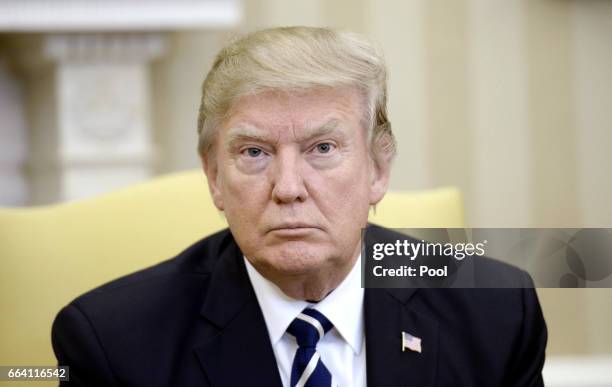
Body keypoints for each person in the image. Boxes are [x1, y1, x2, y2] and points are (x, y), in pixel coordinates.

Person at [52, 26, 547, 387]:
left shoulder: (497, 311)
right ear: (214, 177)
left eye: (323, 149)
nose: (288, 188)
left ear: (378, 171)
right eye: (254, 153)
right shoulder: (111, 343)